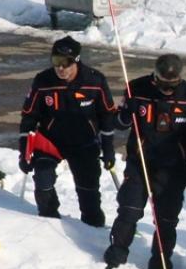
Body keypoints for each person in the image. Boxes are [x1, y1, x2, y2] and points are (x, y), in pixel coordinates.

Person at [104, 54, 186, 269]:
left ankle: (160, 265)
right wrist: (125, 112)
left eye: (173, 85)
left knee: (166, 219)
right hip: (140, 162)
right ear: (155, 77)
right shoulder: (137, 89)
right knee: (129, 210)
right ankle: (116, 256)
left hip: (172, 168)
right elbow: (118, 124)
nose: (168, 90)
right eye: (163, 85)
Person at [17, 36, 117, 226]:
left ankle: (93, 228)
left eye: (66, 63)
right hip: (50, 142)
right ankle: (49, 220)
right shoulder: (43, 80)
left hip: (84, 142)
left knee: (88, 191)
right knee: (43, 182)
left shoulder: (94, 80)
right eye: (56, 62)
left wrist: (109, 149)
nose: (60, 68)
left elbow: (107, 116)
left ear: (77, 60)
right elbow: (29, 117)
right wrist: (24, 152)